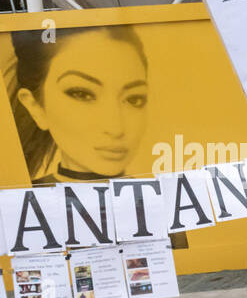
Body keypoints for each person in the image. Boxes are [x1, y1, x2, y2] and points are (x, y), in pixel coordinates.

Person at [8, 26, 149, 185]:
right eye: (81, 94)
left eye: (134, 99)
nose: (115, 128)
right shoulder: (14, 203)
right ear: (35, 107)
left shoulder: (166, 200)